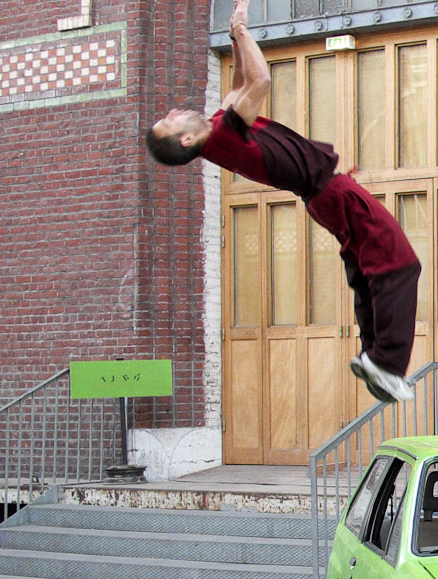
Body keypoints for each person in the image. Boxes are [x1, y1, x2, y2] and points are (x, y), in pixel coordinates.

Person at [147, 0, 417, 403]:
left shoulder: (221, 128)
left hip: (326, 195)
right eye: (169, 121)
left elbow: (239, 82)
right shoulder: (223, 138)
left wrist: (235, 36)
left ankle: (373, 354)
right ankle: (387, 364)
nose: (173, 111)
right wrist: (241, 31)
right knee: (398, 264)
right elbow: (260, 81)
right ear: (186, 140)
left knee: (366, 269)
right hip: (333, 192)